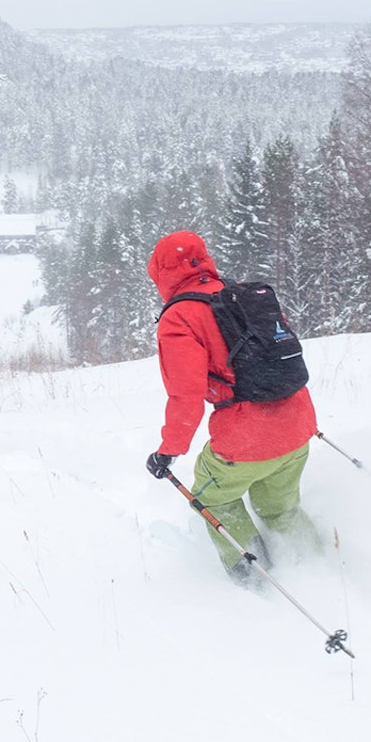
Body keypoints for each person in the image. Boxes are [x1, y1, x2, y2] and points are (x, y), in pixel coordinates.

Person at [144, 230, 319, 588]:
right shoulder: (242, 295)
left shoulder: (179, 318)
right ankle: (319, 564)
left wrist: (168, 451)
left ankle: (255, 582)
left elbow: (186, 396)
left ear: (161, 273)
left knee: (212, 498)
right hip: (299, 423)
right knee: (280, 508)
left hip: (247, 438)